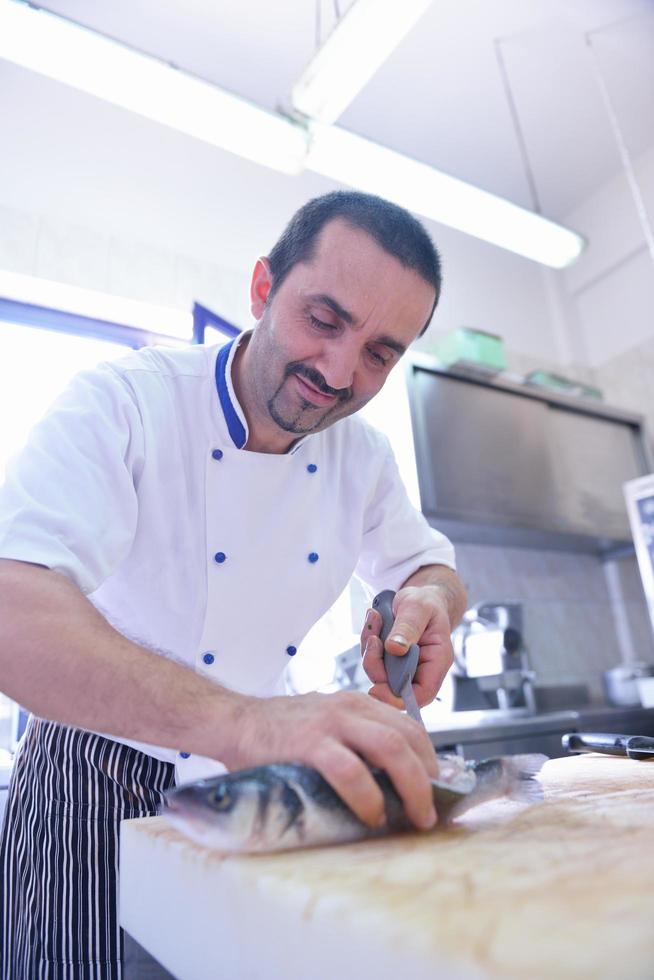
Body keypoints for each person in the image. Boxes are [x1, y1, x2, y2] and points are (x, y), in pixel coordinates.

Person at [0, 191, 467, 978]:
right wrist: (253, 725)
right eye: (324, 319)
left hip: (251, 791)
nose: (339, 372)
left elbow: (431, 566)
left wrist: (428, 600)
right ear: (262, 289)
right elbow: (12, 610)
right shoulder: (125, 403)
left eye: (381, 353)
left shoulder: (364, 456)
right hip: (91, 787)